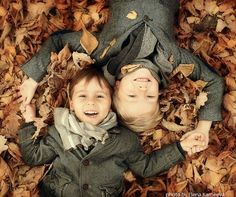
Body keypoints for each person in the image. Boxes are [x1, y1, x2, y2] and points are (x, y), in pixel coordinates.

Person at [19, 0, 224, 145]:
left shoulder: (103, 52)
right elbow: (213, 81)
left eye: (132, 95)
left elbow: (59, 40)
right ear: (159, 92)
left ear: (116, 87)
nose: (142, 88)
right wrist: (203, 128)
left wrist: (32, 79)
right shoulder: (173, 59)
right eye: (150, 95)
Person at [19, 67, 207, 197]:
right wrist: (28, 121)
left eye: (100, 96)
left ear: (111, 102)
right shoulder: (59, 132)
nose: (91, 101)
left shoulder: (124, 140)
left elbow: (146, 167)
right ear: (72, 103)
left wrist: (181, 148)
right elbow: (34, 157)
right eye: (83, 95)